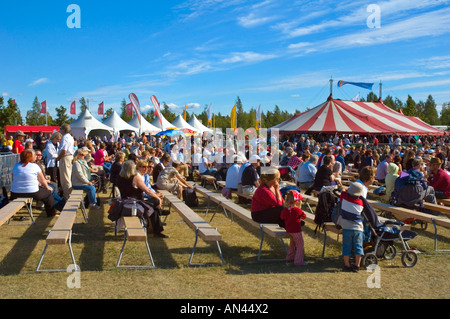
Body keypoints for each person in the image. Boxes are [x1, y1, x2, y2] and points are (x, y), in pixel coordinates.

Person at [116, 160, 167, 238]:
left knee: (153, 208)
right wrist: (158, 199)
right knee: (155, 201)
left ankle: (157, 228)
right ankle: (158, 226)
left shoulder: (120, 177)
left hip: (124, 203)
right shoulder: (135, 178)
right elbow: (147, 191)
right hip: (136, 204)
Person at [10, 149, 56, 217]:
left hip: (15, 193)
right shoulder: (34, 166)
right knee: (48, 194)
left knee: (45, 192)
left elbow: (13, 178)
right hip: (32, 192)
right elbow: (43, 180)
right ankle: (51, 214)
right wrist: (47, 188)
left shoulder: (16, 166)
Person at [336, 182, 365, 272]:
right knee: (358, 246)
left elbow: (343, 191)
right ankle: (357, 265)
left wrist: (344, 188)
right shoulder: (360, 202)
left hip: (346, 227)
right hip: (358, 228)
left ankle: (347, 264)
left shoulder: (344, 198)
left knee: (346, 246)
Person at [280, 190, 306, 266]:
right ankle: (298, 261)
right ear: (296, 201)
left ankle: (290, 257)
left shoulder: (285, 210)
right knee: (300, 245)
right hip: (296, 230)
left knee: (292, 244)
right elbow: (304, 216)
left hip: (289, 229)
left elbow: (282, 217)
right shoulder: (297, 210)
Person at [56, 124, 75, 200]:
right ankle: (68, 195)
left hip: (65, 158)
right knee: (67, 177)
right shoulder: (70, 137)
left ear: (63, 129)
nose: (60, 130)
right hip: (68, 157)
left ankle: (68, 197)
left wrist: (58, 158)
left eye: (61, 128)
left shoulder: (65, 137)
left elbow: (64, 150)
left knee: (65, 179)